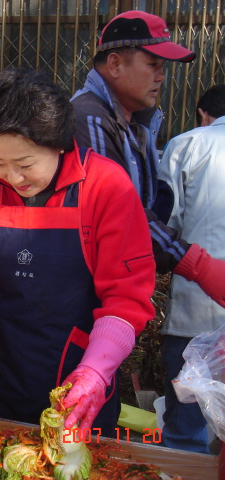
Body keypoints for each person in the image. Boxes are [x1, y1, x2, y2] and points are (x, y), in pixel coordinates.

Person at [0, 67, 155, 436]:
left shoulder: (107, 187)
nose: (13, 178)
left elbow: (127, 298)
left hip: (81, 383)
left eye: (25, 164)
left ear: (60, 143)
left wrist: (95, 373)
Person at [71, 10, 225, 308]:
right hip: (84, 294)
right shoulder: (90, 119)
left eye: (163, 67)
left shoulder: (134, 122)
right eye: (153, 64)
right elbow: (121, 215)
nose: (161, 77)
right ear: (115, 64)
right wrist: (198, 265)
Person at [156, 84, 225, 453]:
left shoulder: (188, 144)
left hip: (196, 316)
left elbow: (166, 225)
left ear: (202, 114)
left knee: (186, 428)